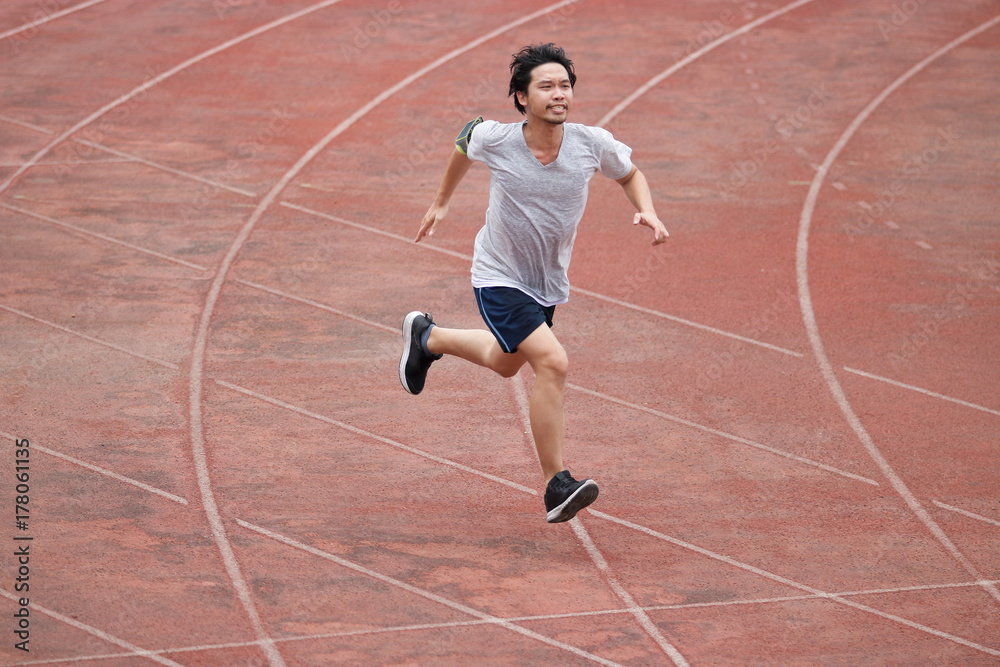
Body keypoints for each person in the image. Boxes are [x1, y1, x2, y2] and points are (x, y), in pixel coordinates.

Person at [399, 43, 668, 523]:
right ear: (522, 98)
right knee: (553, 362)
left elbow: (630, 174)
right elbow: (466, 139)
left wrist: (644, 207)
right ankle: (556, 483)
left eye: (565, 85)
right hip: (498, 275)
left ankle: (427, 336)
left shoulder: (591, 144)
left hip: (545, 282)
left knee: (507, 365)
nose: (559, 94)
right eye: (546, 86)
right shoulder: (499, 139)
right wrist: (441, 201)